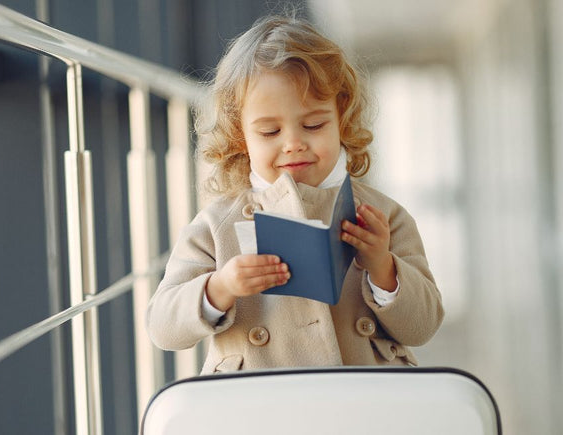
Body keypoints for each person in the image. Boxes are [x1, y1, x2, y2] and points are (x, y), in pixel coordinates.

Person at [146, 15, 444, 373]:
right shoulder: (215, 226)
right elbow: (162, 328)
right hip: (259, 409)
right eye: (270, 132)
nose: (293, 144)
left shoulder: (383, 216)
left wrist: (383, 268)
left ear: (342, 117)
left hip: (366, 404)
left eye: (314, 125)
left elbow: (424, 326)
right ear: (241, 136)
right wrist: (220, 287)